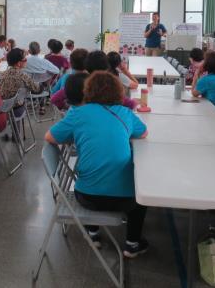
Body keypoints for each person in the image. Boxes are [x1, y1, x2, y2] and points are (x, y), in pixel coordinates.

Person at [45, 71, 149, 257]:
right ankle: (132, 243)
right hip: (126, 201)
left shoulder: (78, 114)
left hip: (87, 197)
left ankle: (92, 233)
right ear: (119, 91)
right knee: (142, 198)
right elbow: (143, 133)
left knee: (90, 177)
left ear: (87, 91)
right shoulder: (125, 113)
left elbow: (50, 137)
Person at [52, 50, 137, 110]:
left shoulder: (74, 82)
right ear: (107, 66)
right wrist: (135, 102)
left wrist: (68, 107)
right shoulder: (109, 84)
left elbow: (55, 99)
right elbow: (130, 104)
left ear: (86, 65)